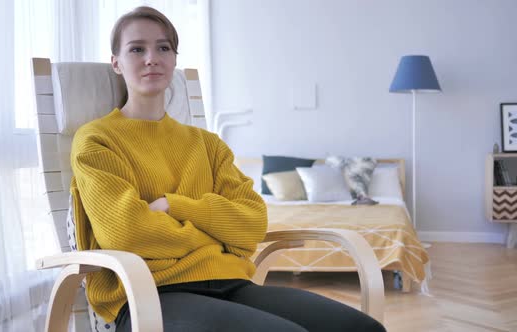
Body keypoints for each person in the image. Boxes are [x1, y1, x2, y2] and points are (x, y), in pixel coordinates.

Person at [70, 6, 386, 332]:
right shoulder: (97, 140)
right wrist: (215, 235)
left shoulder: (207, 144)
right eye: (137, 49)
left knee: (362, 329)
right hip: (148, 296)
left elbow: (251, 224)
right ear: (116, 63)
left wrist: (174, 206)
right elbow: (127, 234)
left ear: (174, 59)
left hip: (231, 283)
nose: (152, 57)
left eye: (163, 47)